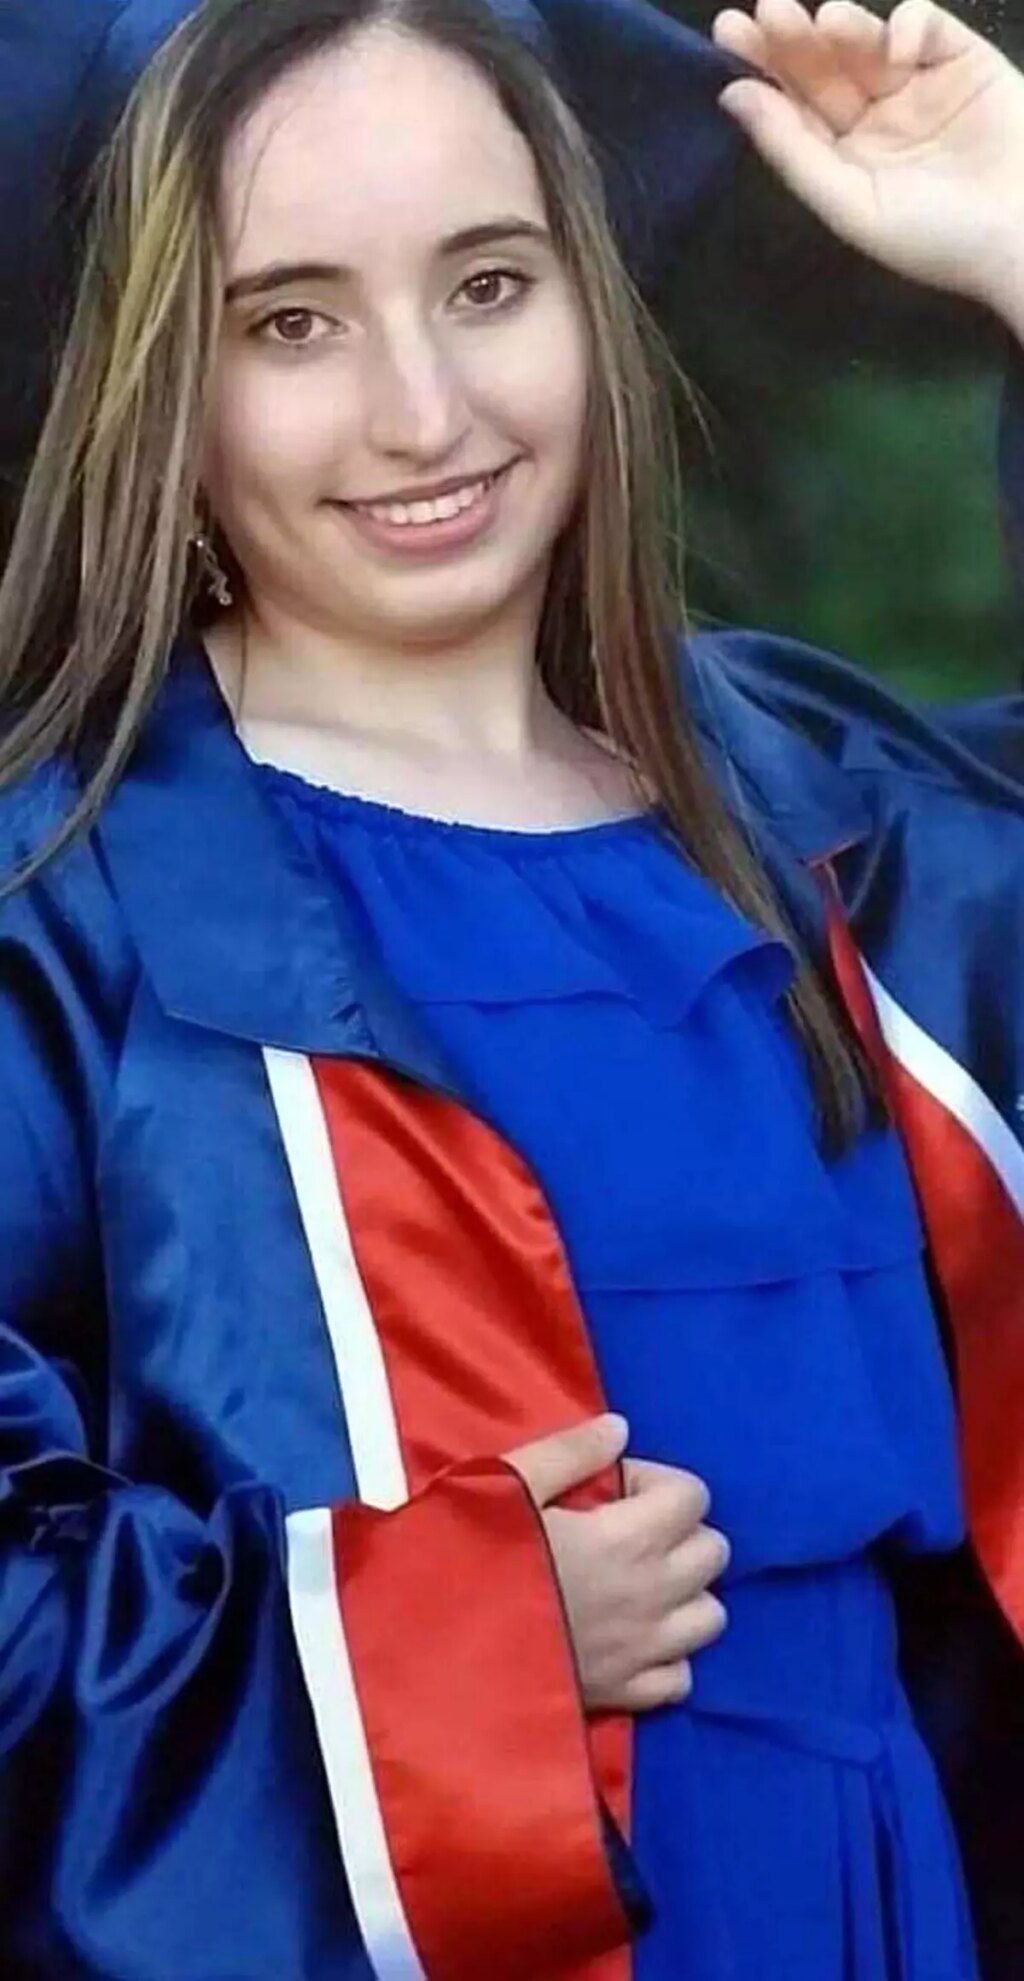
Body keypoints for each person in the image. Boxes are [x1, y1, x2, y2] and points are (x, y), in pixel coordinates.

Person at [0, 0, 1021, 1975]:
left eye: (487, 283)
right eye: (289, 322)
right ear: (157, 385)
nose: (423, 410)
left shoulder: (838, 829)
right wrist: (438, 1648)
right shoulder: (70, 911)